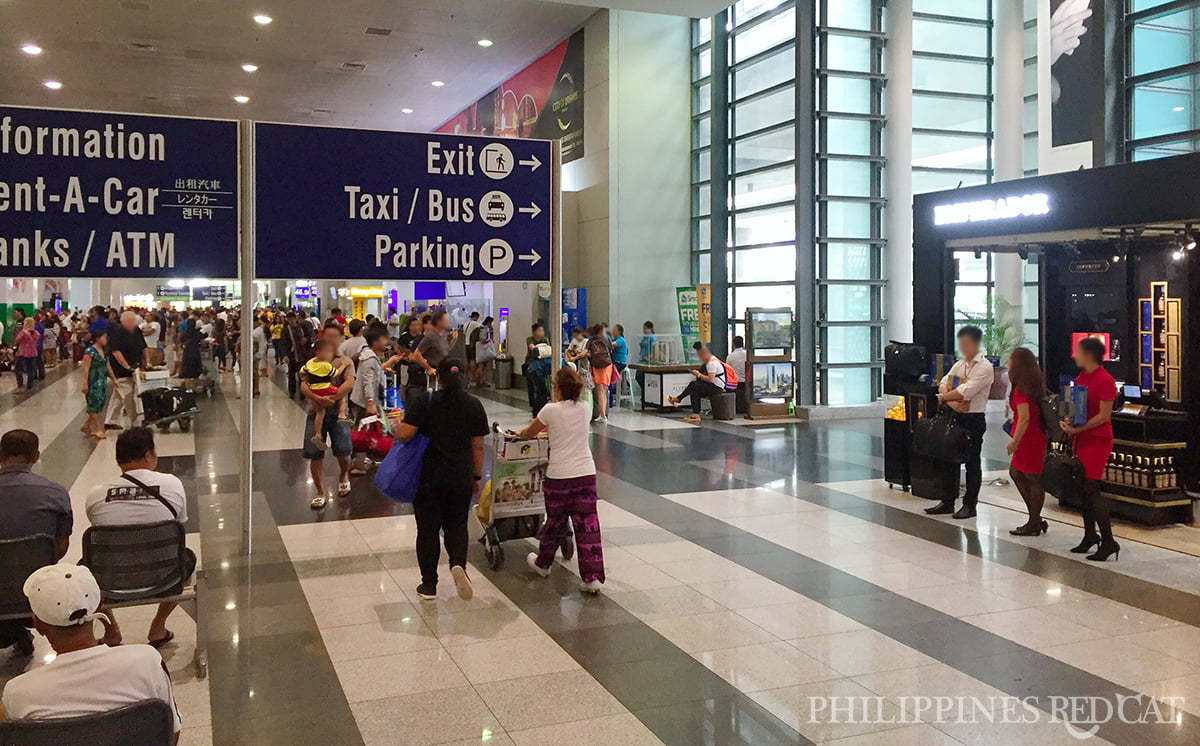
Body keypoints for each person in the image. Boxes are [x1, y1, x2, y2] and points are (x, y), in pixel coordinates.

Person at [0, 563, 182, 737]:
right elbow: (170, 732)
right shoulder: (147, 661)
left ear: (37, 624)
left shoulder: (19, 692)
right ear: (100, 605)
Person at [86, 427, 194, 648]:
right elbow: (179, 523)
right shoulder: (172, 484)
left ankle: (112, 631)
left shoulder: (96, 494)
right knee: (186, 557)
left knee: (85, 569)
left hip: (110, 578)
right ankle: (158, 626)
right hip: (165, 576)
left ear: (118, 460)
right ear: (148, 455)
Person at [394, 358, 488, 601]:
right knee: (457, 524)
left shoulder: (425, 402)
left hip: (427, 478)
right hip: (460, 476)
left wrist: (395, 425)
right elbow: (477, 447)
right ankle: (458, 564)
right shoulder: (474, 405)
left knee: (427, 529)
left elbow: (405, 435)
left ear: (440, 377)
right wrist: (476, 476)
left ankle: (428, 585)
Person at [519, 367, 606, 593]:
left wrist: (522, 435)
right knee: (588, 526)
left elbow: (530, 432)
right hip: (586, 473)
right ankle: (592, 578)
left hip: (559, 476)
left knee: (555, 523)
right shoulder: (586, 408)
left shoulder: (549, 410)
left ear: (557, 388)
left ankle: (543, 563)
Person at [0, 430, 73, 658]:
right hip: (38, 593)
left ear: (0, 455)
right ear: (36, 456)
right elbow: (59, 550)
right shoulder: (56, 493)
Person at [926, 325, 994, 520]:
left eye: (966, 343)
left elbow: (966, 391)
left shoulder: (984, 367)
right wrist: (949, 401)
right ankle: (947, 501)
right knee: (948, 458)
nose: (962, 347)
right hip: (955, 414)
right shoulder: (960, 364)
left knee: (972, 461)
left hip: (973, 418)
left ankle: (970, 505)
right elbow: (944, 382)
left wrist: (943, 398)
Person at [1061, 336, 1119, 561]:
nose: (1075, 356)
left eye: (1078, 351)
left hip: (1097, 440)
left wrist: (1080, 428)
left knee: (1092, 490)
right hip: (1082, 438)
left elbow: (1104, 416)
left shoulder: (1105, 380)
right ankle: (1089, 536)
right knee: (1084, 490)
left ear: (1089, 355)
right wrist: (1067, 421)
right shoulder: (1081, 377)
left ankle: (1108, 540)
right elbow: (1073, 405)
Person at [302, 325, 356, 507]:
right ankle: (319, 491)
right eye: (328, 336)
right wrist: (316, 397)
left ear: (342, 338)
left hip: (337, 411)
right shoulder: (313, 362)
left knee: (343, 451)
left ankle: (343, 474)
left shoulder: (345, 361)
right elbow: (303, 383)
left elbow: (348, 383)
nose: (331, 340)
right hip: (316, 409)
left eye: (335, 336)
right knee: (314, 453)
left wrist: (331, 398)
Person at [1006, 347, 1048, 536]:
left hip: (1028, 437)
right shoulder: (1032, 384)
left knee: (1030, 476)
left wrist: (1015, 441)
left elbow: (1024, 417)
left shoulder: (1021, 389)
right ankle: (1035, 518)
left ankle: (1034, 521)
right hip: (1033, 435)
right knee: (1020, 473)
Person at [301, 340, 353, 453]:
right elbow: (337, 373)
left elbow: (302, 373)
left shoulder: (310, 362)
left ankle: (318, 434)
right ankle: (342, 414)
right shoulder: (325, 365)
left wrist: (317, 398)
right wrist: (344, 365)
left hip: (314, 390)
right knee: (341, 396)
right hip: (326, 389)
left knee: (320, 412)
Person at [105, 311, 148, 431]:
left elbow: (143, 347)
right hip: (120, 369)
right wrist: (126, 366)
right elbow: (116, 351)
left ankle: (110, 420)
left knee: (118, 395)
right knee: (127, 394)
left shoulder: (137, 331)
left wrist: (147, 361)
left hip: (136, 366)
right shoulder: (117, 333)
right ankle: (135, 420)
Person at [667, 341, 728, 423]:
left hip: (717, 387)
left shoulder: (711, 363)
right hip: (713, 385)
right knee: (694, 391)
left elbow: (711, 379)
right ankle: (695, 413)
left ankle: (678, 399)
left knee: (693, 384)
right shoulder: (709, 360)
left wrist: (698, 375)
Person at [350, 327, 390, 421]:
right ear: (375, 341)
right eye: (384, 338)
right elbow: (367, 381)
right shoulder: (369, 358)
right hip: (364, 404)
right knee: (363, 431)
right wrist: (370, 403)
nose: (386, 342)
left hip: (365, 402)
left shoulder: (371, 356)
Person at [81, 329, 115, 439]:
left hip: (102, 380)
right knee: (94, 403)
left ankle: (86, 424)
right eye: (103, 337)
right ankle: (98, 428)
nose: (105, 339)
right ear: (97, 338)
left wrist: (114, 378)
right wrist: (85, 383)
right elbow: (86, 367)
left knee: (100, 402)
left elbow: (107, 365)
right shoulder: (89, 351)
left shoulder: (104, 351)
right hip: (93, 380)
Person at [411, 310, 459, 386]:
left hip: (443, 371)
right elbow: (417, 354)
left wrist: (454, 340)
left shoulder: (443, 335)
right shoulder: (430, 337)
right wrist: (428, 368)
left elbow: (445, 351)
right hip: (434, 372)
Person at [586, 324, 614, 423]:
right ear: (602, 330)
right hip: (607, 365)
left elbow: (587, 352)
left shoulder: (591, 340)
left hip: (597, 366)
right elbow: (611, 350)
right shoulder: (607, 339)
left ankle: (602, 414)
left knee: (599, 390)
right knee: (605, 389)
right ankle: (604, 413)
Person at [525, 323, 551, 415]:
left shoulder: (545, 339)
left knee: (541, 388)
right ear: (534, 332)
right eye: (539, 330)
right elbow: (533, 348)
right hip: (531, 364)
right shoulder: (530, 339)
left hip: (542, 365)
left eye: (542, 330)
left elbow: (547, 351)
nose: (541, 332)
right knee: (531, 386)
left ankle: (537, 407)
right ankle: (533, 404)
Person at [14, 317, 40, 391]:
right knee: (30, 369)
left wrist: (24, 331)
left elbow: (17, 340)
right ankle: (29, 385)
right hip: (32, 353)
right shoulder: (36, 333)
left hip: (23, 353)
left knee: (18, 369)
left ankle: (20, 384)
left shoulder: (23, 332)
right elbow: (37, 340)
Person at [469, 316, 495, 387]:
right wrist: (490, 341)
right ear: (489, 322)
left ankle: (478, 381)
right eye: (492, 323)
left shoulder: (479, 328)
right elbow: (482, 340)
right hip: (482, 350)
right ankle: (481, 381)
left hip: (477, 349)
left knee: (480, 365)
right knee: (482, 366)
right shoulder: (484, 329)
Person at [635, 320, 657, 394]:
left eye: (645, 328)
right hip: (642, 359)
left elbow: (655, 349)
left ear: (650, 329)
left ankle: (646, 392)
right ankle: (644, 391)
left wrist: (650, 356)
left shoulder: (652, 338)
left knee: (641, 376)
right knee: (638, 376)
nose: (644, 330)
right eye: (643, 328)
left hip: (648, 360)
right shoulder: (644, 337)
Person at [609, 324, 629, 408]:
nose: (612, 331)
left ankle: (611, 396)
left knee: (610, 375)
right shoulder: (615, 339)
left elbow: (611, 344)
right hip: (614, 361)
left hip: (620, 362)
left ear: (619, 332)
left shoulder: (621, 340)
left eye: (614, 330)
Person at [728, 335, 748, 413]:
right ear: (743, 343)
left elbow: (728, 370)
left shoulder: (730, 357)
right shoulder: (747, 355)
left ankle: (737, 408)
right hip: (747, 382)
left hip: (736, 383)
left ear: (733, 344)